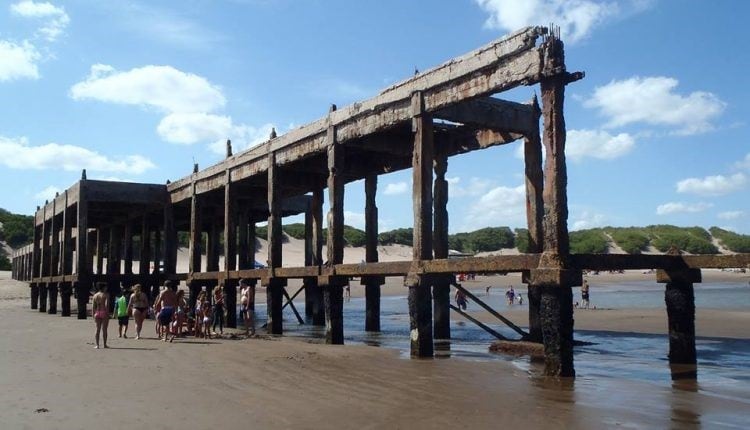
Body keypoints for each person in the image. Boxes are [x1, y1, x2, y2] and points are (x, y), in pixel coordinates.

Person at [92, 282, 110, 349]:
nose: (106, 288)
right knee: (104, 329)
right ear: (103, 288)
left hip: (97, 312)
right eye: (105, 287)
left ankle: (97, 345)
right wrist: (108, 314)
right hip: (104, 312)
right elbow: (107, 305)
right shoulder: (106, 295)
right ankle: (105, 344)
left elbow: (93, 306)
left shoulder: (95, 295)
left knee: (97, 329)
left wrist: (93, 315)